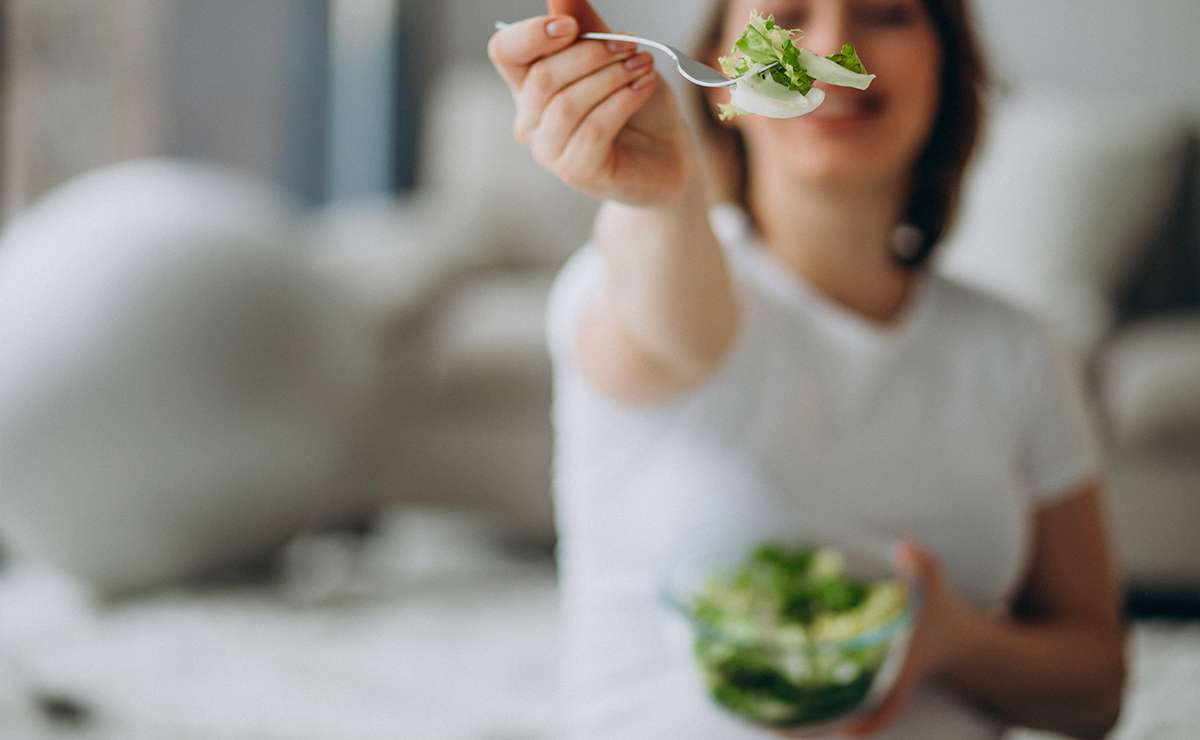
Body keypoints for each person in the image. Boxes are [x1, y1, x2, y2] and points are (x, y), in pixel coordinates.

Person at [488, 1, 1126, 737]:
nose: (832, 43)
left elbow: (1095, 690)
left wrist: (954, 640)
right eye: (788, 13)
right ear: (720, 72)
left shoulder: (1018, 348)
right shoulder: (628, 281)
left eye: (886, 13)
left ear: (947, 68)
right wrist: (661, 201)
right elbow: (677, 330)